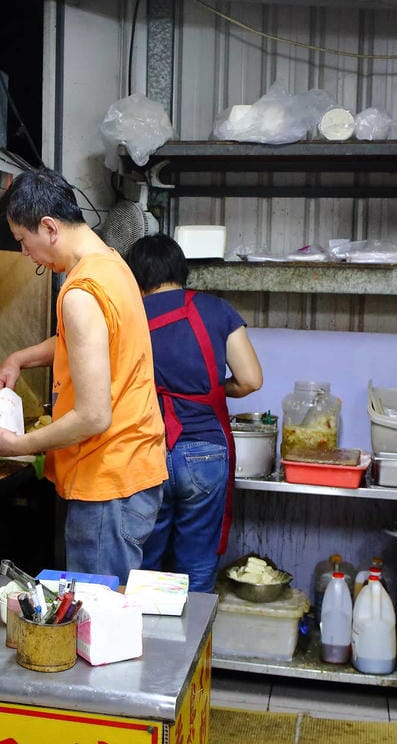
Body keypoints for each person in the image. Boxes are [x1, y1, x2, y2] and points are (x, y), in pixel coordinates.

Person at [0, 168, 168, 581]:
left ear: (49, 228)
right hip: (132, 467)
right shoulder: (112, 265)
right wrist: (19, 358)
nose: (25, 253)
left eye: (22, 240)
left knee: (97, 610)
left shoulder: (81, 293)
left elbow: (93, 416)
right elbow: (86, 341)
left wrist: (20, 445)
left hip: (106, 480)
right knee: (110, 602)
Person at [124, 233, 263, 592]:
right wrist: (212, 391)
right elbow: (250, 380)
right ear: (180, 271)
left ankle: (146, 629)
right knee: (197, 564)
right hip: (204, 451)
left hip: (146, 450)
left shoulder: (126, 315)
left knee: (145, 564)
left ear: (137, 276)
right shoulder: (217, 309)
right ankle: (194, 628)